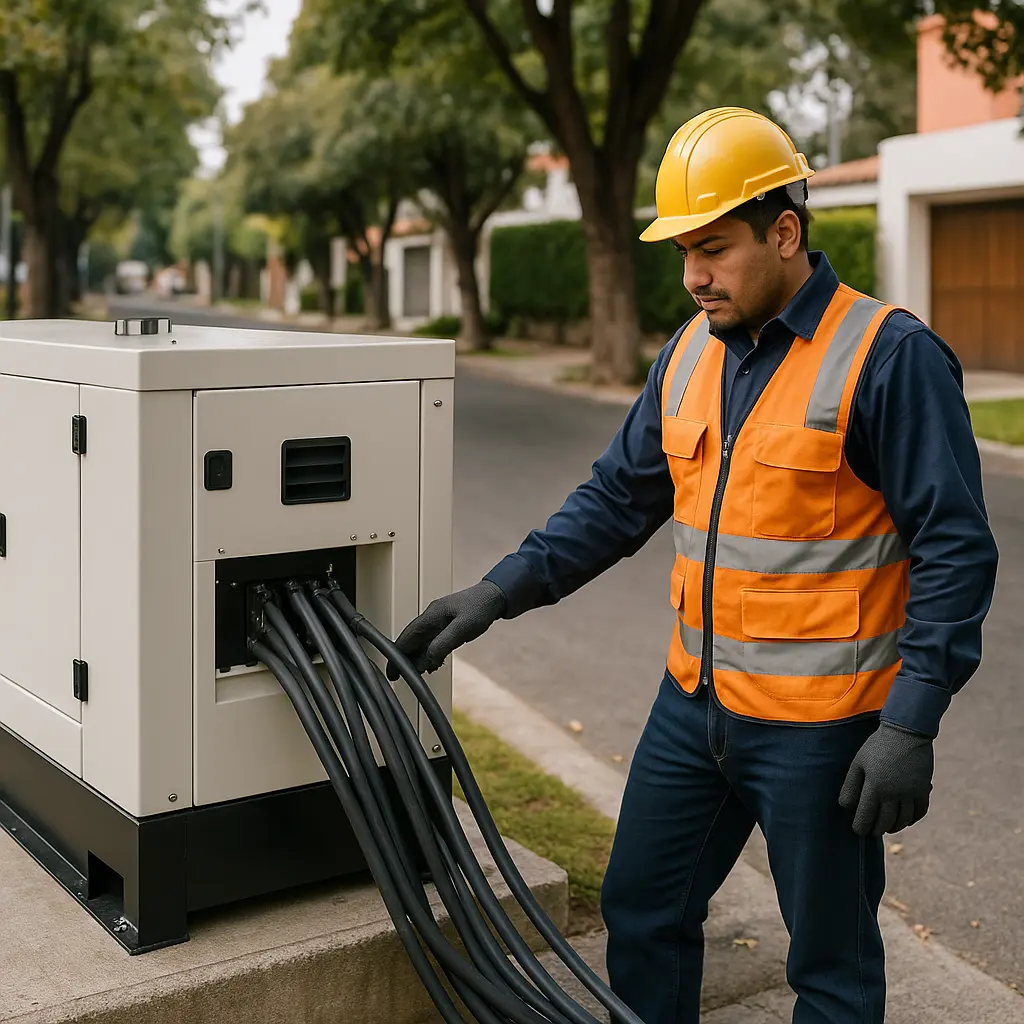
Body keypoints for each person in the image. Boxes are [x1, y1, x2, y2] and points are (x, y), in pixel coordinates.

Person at [386, 108, 999, 1023]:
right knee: (641, 906)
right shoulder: (687, 353)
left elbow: (955, 549)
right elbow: (616, 500)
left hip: (819, 732)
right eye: (681, 252)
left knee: (829, 967)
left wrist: (911, 723)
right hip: (693, 714)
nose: (692, 277)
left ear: (784, 232)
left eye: (712, 248)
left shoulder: (888, 357)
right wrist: (500, 589)